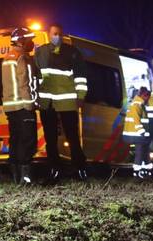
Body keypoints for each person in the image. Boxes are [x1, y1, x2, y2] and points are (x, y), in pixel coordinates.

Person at [35, 23, 89, 182]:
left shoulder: (73, 53)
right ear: (48, 34)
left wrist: (80, 96)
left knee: (72, 137)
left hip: (67, 102)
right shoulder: (40, 52)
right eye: (53, 33)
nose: (56, 36)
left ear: (62, 34)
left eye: (58, 33)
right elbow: (36, 76)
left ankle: (80, 169)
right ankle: (54, 170)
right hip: (47, 102)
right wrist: (37, 98)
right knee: (50, 139)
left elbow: (80, 77)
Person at [2, 27, 38, 185]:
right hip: (23, 107)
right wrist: (31, 105)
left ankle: (16, 178)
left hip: (11, 108)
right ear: (22, 41)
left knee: (15, 141)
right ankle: (26, 178)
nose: (32, 43)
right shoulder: (22, 58)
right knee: (27, 141)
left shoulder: (7, 57)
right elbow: (26, 83)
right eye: (30, 39)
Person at [122, 87, 152, 178]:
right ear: (143, 95)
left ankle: (145, 170)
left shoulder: (138, 104)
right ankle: (137, 172)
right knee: (140, 152)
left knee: (144, 150)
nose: (148, 99)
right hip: (136, 134)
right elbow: (136, 120)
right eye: (147, 97)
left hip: (135, 133)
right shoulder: (137, 105)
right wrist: (143, 132)